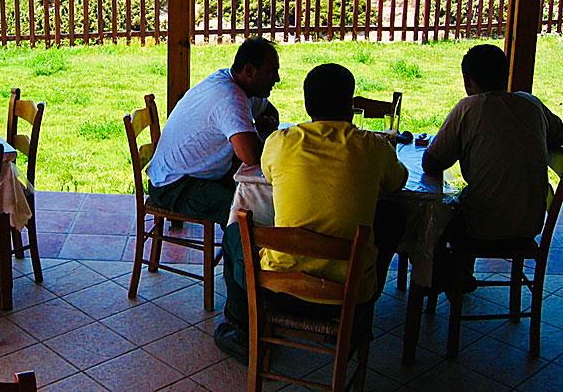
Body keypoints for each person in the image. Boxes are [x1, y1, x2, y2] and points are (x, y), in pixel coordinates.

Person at [214, 63, 408, 362]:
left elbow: (266, 173)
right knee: (392, 216)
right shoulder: (374, 147)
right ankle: (359, 317)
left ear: (307, 105)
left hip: (278, 289)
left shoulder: (281, 142)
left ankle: (242, 329)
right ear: (350, 106)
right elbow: (398, 183)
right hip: (349, 295)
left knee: (233, 234)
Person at [423, 44, 563, 250]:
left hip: (481, 225)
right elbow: (558, 133)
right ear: (506, 74)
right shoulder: (532, 105)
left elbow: (431, 163)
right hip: (529, 225)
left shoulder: (468, 108)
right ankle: (462, 277)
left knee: (437, 225)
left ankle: (453, 279)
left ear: (467, 80)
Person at [146, 37, 280, 228]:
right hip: (174, 185)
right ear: (249, 71)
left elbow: (269, 111)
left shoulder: (238, 84)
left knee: (254, 195)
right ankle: (242, 257)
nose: (277, 79)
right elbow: (250, 155)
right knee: (246, 211)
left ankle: (242, 253)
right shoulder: (230, 97)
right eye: (271, 72)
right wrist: (262, 132)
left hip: (195, 175)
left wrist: (263, 125)